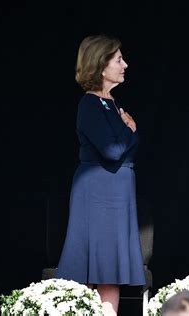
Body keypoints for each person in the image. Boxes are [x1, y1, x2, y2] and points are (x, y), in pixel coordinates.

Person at [55, 34, 145, 315]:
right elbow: (113, 150)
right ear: (101, 65)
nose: (125, 65)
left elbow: (123, 148)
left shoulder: (112, 104)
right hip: (98, 195)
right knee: (98, 264)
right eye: (119, 59)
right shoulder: (90, 105)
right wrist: (130, 130)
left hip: (117, 194)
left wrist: (129, 134)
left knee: (110, 268)